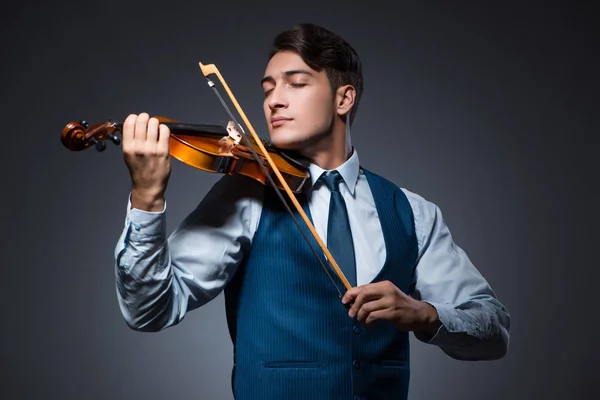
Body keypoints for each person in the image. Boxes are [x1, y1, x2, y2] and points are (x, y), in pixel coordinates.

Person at [114, 23, 510, 400]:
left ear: (344, 98)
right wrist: (147, 198)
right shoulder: (247, 196)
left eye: (296, 83)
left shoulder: (412, 212)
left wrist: (423, 314)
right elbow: (148, 309)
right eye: (268, 88)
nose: (274, 100)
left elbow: (493, 331)